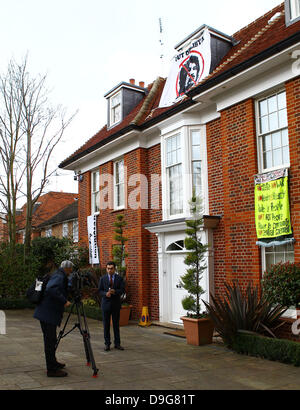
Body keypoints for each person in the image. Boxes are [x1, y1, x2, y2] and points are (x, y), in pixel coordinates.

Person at [34, 260, 73, 377]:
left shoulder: (57, 274)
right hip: (48, 314)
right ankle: (51, 370)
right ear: (67, 268)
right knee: (50, 341)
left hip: (46, 313)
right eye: (71, 269)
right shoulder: (59, 276)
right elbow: (51, 288)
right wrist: (64, 300)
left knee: (51, 340)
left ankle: (53, 362)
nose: (71, 272)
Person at [98, 261, 125, 351]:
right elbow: (99, 291)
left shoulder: (119, 278)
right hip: (106, 305)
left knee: (116, 325)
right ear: (106, 269)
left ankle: (117, 344)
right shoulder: (103, 279)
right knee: (106, 325)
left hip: (115, 304)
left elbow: (122, 290)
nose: (109, 270)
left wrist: (115, 292)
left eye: (111, 268)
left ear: (114, 269)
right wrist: (105, 294)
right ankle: (107, 344)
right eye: (108, 268)